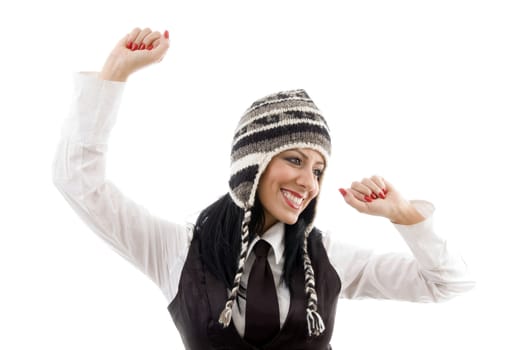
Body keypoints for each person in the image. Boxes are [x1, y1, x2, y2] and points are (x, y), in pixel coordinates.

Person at [52, 27, 475, 349]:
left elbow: (448, 283)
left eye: (318, 170)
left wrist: (404, 216)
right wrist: (113, 74)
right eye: (294, 160)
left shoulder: (327, 257)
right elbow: (78, 182)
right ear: (251, 165)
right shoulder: (178, 249)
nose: (308, 182)